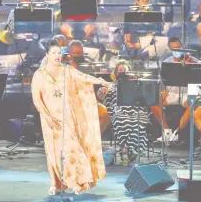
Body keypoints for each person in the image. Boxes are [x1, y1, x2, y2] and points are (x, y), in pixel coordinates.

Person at [31, 40, 109, 195]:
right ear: (47, 54)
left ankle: (78, 181)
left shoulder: (67, 70)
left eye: (59, 53)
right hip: (48, 119)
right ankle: (56, 183)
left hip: (67, 116)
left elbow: (84, 78)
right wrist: (48, 117)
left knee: (72, 148)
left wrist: (100, 81)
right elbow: (37, 100)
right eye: (53, 53)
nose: (57, 56)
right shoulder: (39, 75)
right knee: (53, 152)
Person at [99, 60, 149, 165]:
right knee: (119, 121)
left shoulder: (136, 84)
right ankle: (131, 151)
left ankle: (126, 150)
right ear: (116, 73)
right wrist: (101, 92)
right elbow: (101, 97)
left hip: (136, 111)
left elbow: (144, 100)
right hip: (119, 111)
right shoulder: (111, 85)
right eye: (119, 70)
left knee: (138, 121)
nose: (122, 72)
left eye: (124, 70)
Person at [152, 37, 200, 144]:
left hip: (186, 93)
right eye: (174, 49)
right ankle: (167, 132)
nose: (177, 51)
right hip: (171, 93)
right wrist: (162, 91)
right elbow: (161, 80)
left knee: (192, 103)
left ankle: (176, 133)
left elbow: (199, 81)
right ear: (170, 49)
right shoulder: (166, 63)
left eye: (178, 48)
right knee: (153, 102)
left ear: (182, 47)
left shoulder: (194, 61)